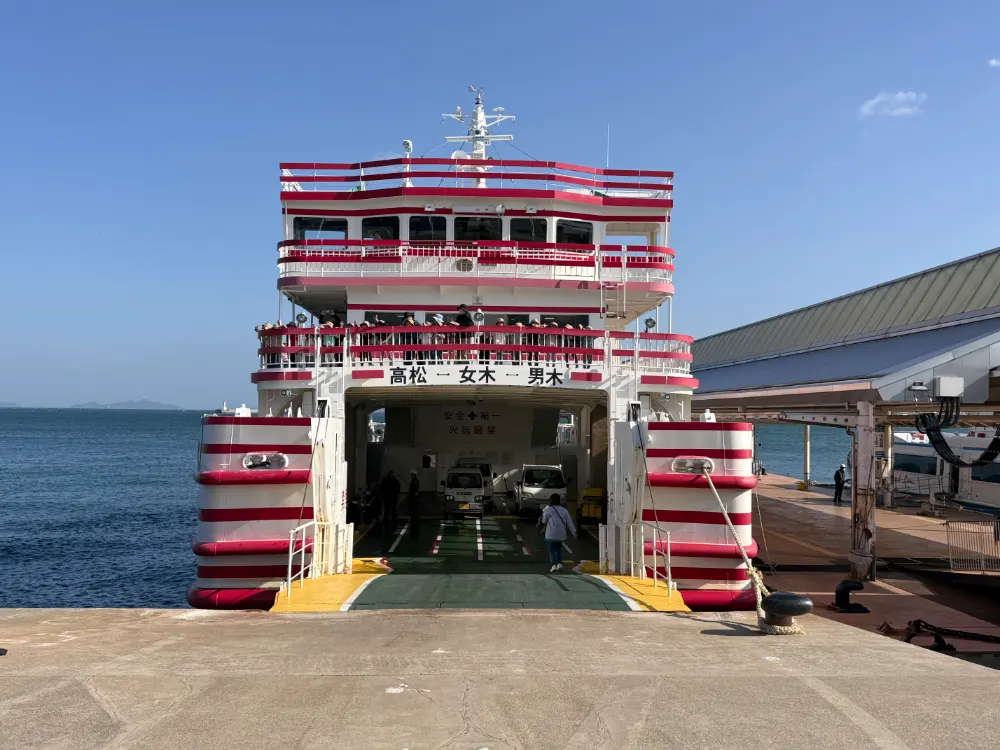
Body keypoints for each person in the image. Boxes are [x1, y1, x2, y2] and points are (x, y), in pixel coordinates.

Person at [538, 496, 576, 572]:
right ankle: (559, 564)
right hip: (561, 534)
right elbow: (570, 523)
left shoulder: (548, 510)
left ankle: (553, 565)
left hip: (551, 534)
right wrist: (574, 532)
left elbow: (544, 521)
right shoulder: (564, 510)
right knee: (559, 549)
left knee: (551, 550)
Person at [407, 470, 421, 537]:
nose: (411, 476)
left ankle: (415, 520)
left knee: (414, 508)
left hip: (414, 497)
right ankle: (412, 519)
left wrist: (414, 493)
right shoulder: (413, 481)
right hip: (411, 497)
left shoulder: (415, 481)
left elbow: (415, 489)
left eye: (412, 474)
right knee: (411, 508)